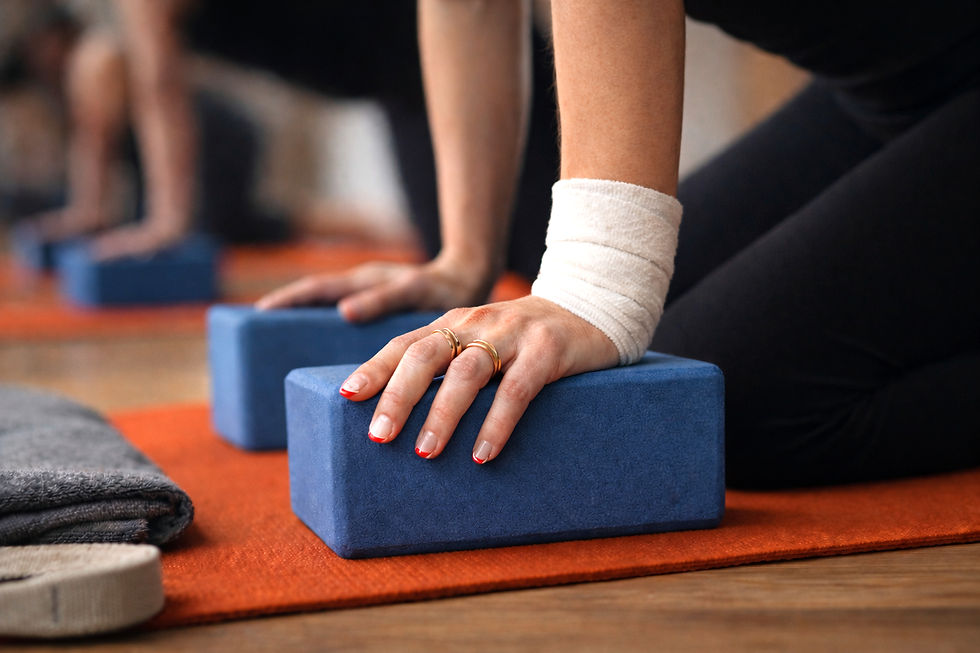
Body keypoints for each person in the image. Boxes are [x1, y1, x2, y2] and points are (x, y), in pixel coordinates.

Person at [260, 0, 980, 487]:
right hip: (884, 94)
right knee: (677, 368)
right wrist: (465, 259)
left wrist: (594, 286)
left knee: (732, 402)